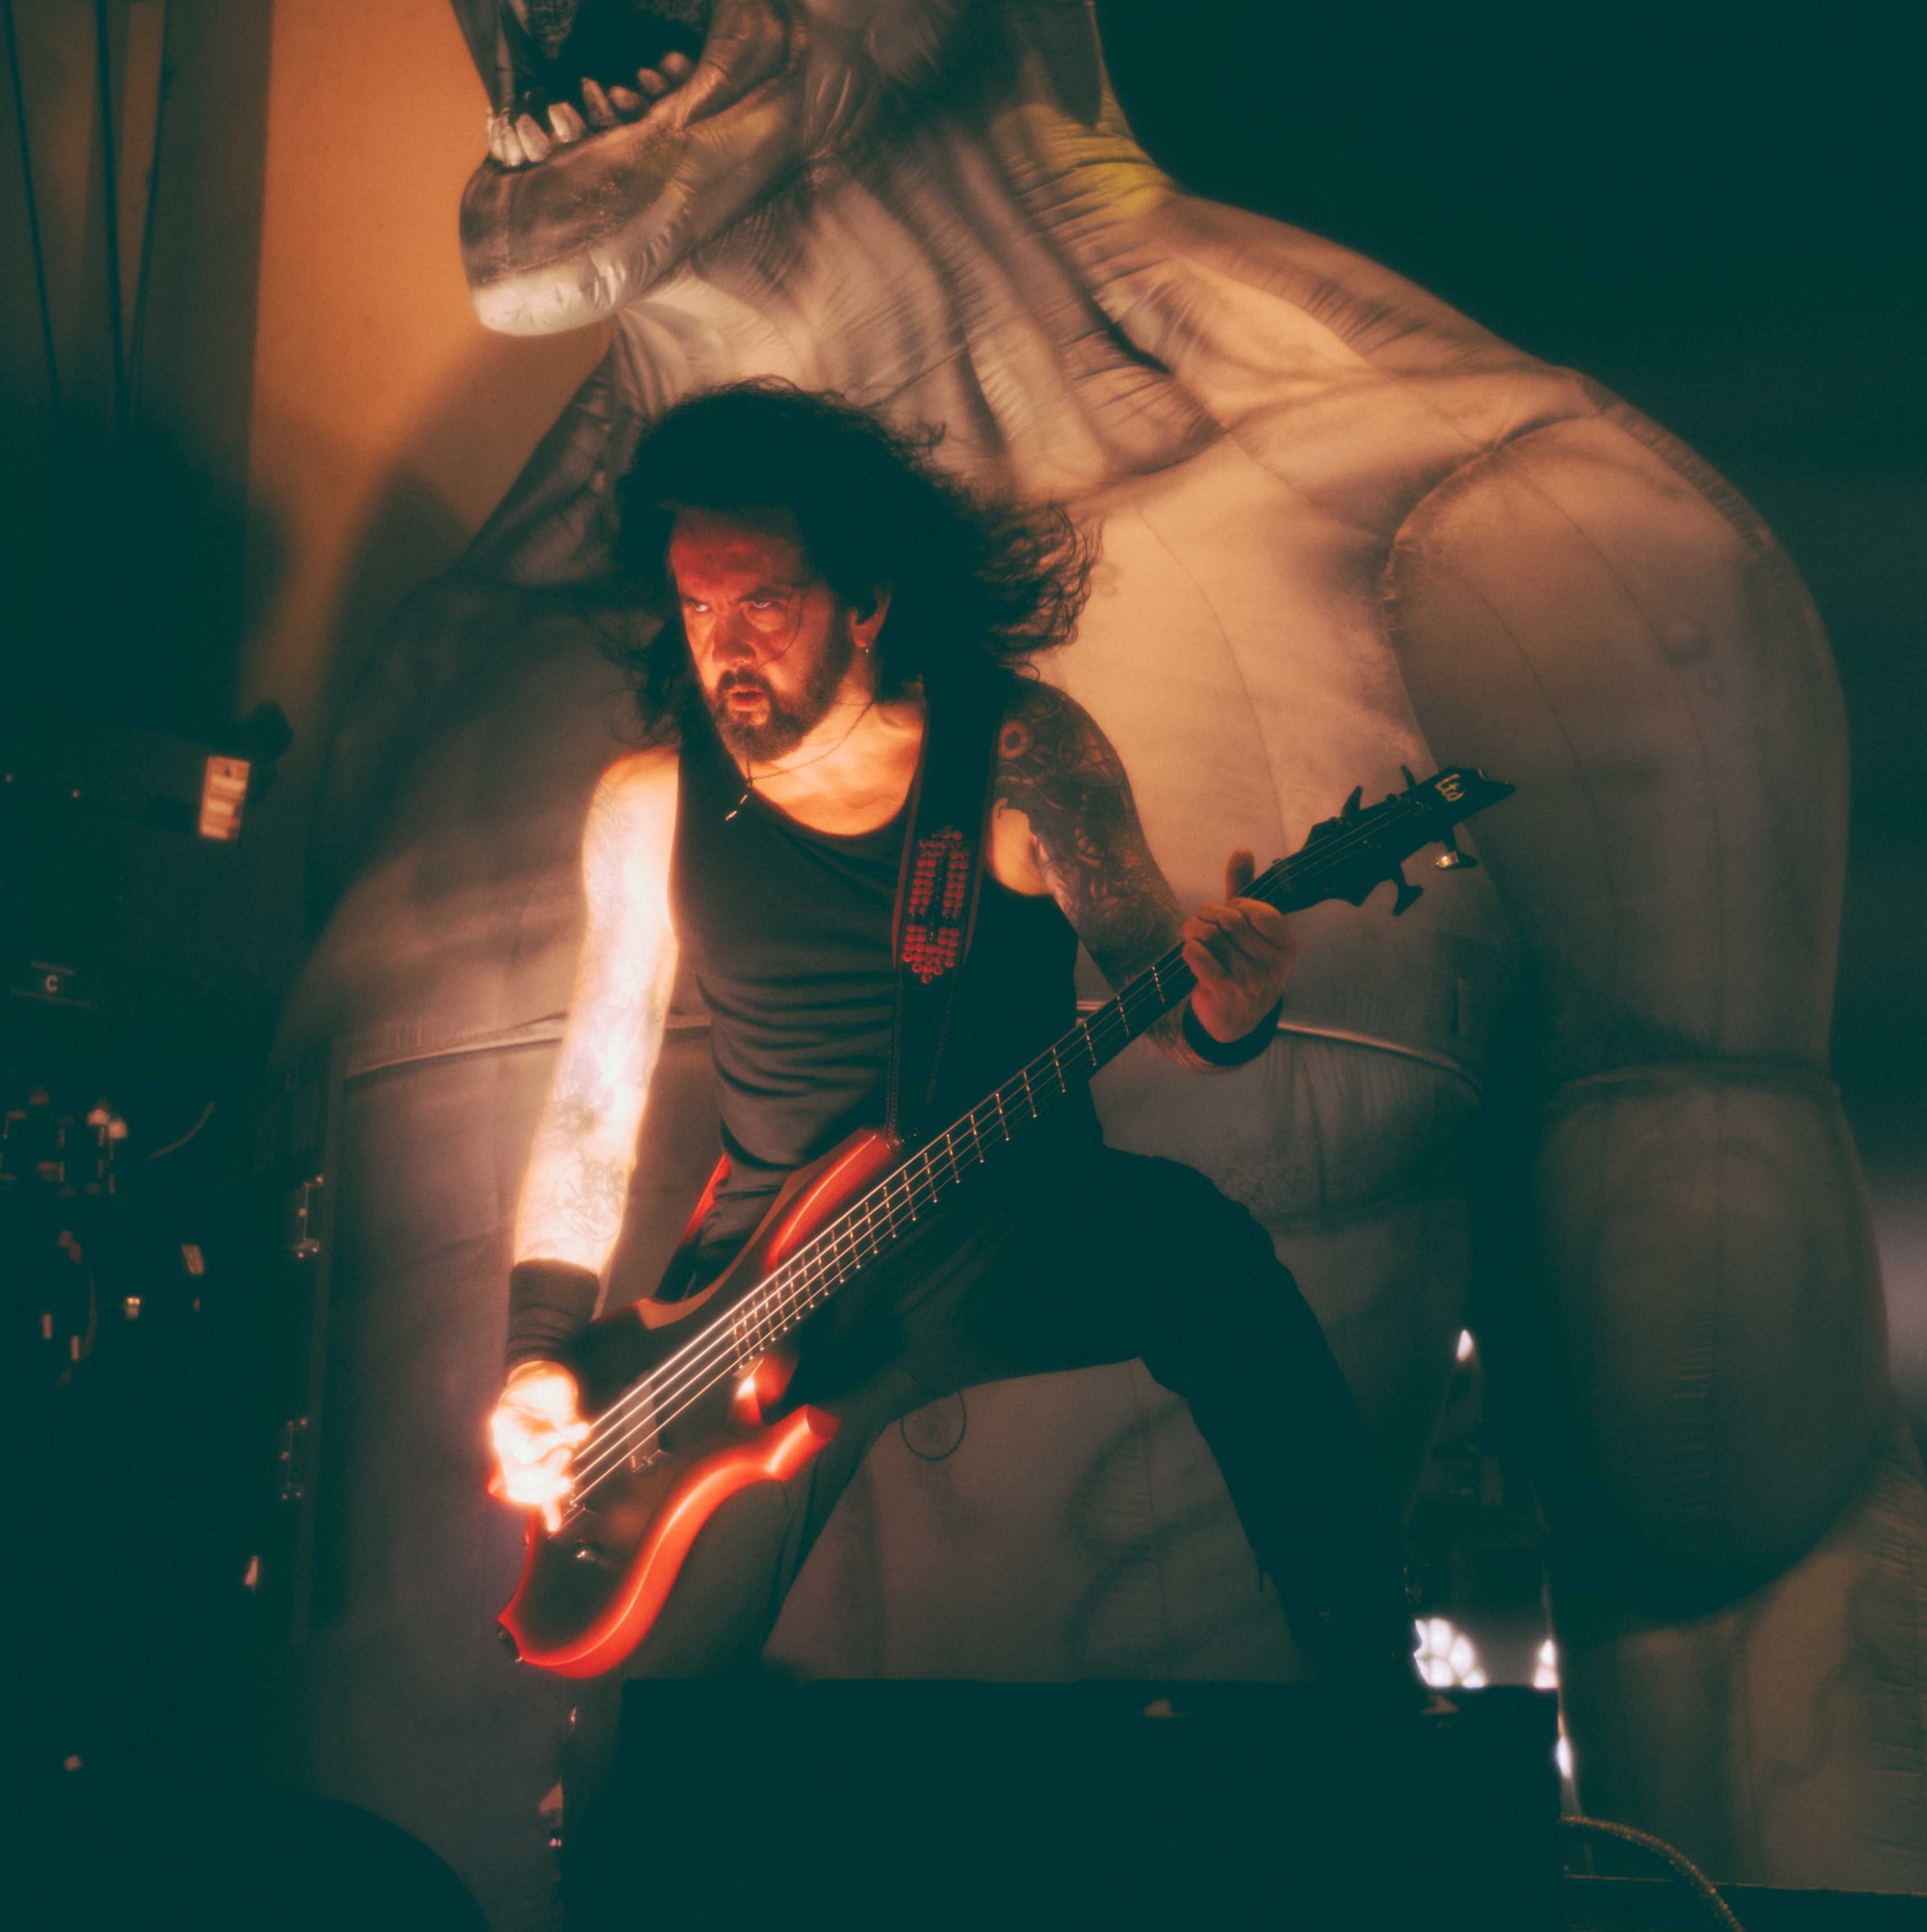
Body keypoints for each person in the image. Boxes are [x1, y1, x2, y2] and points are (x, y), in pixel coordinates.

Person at [487, 382, 1415, 1756]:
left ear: (867, 600)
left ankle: (1375, 1690)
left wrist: (1233, 1010)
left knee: (1205, 1259)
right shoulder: (648, 801)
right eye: (696, 610)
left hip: (1001, 1210)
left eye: (764, 606)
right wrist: (540, 1359)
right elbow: (591, 1097)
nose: (724, 651)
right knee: (638, 1706)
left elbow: (1170, 997)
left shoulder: (1015, 754)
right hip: (767, 1276)